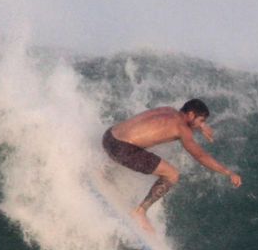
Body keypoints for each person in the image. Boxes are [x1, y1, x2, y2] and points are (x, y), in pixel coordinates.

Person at [101, 99, 241, 231]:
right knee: (172, 174)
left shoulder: (167, 109)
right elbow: (201, 156)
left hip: (109, 137)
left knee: (142, 142)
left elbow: (187, 121)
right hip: (121, 149)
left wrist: (202, 126)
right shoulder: (181, 129)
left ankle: (103, 169)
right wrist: (228, 172)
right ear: (191, 114)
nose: (200, 124)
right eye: (201, 120)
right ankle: (140, 212)